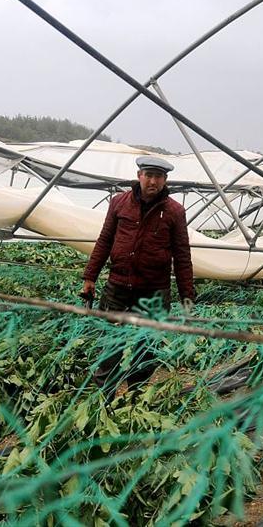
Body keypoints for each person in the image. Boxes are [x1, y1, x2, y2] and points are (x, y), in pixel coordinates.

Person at [81, 156, 196, 390]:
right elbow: (105, 240)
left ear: (165, 180)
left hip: (154, 291)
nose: (153, 181)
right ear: (139, 176)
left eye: (158, 177)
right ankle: (105, 396)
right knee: (110, 344)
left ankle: (136, 394)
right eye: (149, 175)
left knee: (147, 346)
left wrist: (187, 295)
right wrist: (90, 276)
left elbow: (182, 254)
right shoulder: (119, 203)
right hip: (118, 286)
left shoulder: (174, 211)